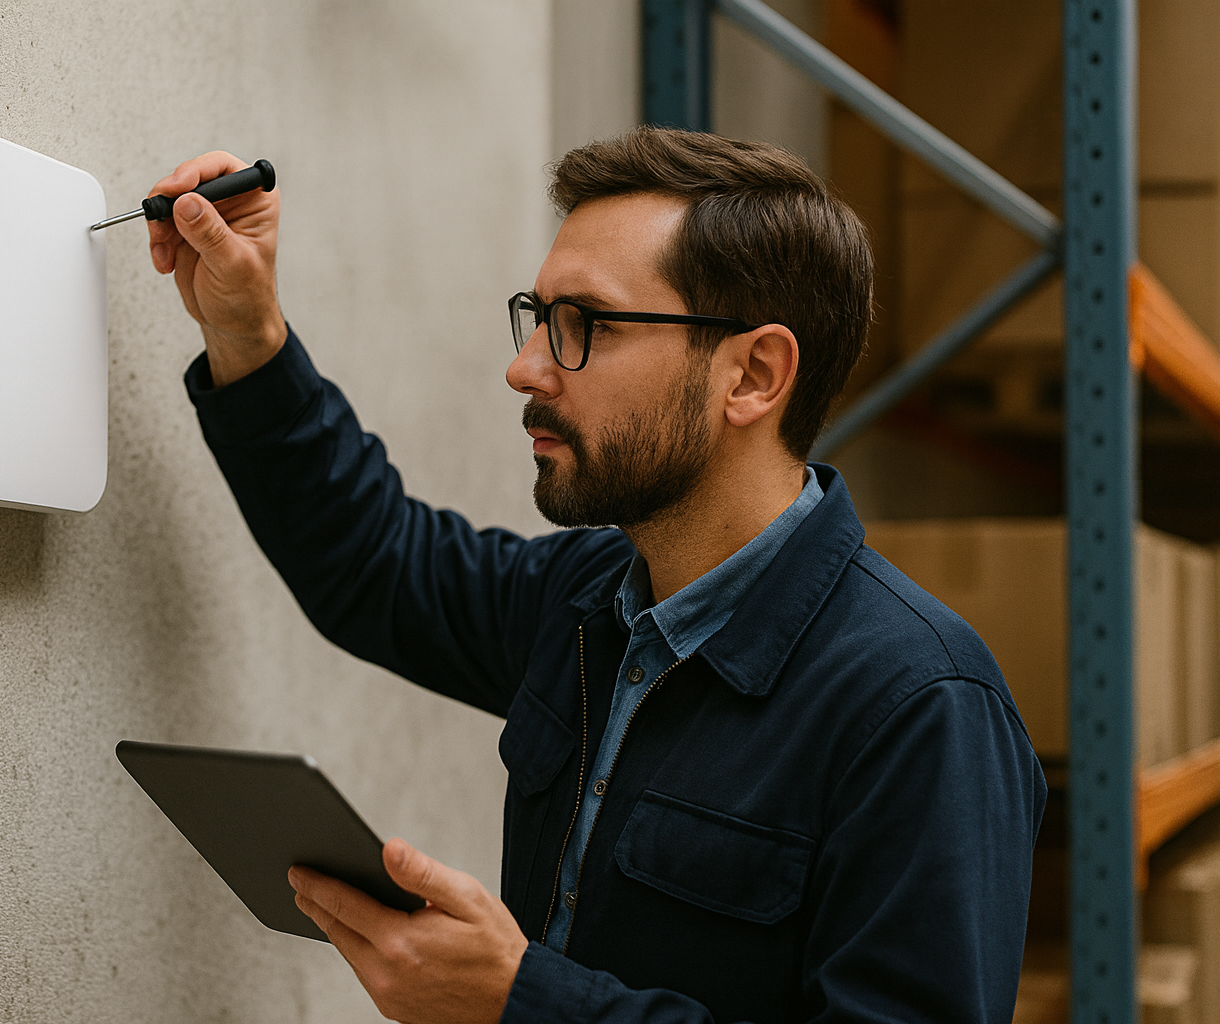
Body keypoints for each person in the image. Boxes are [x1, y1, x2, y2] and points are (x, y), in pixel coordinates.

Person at [146, 127, 1046, 1024]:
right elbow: (376, 564)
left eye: (586, 325)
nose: (525, 367)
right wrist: (246, 328)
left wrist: (521, 1002)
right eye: (537, 318)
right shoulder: (588, 601)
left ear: (754, 375)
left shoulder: (921, 707)